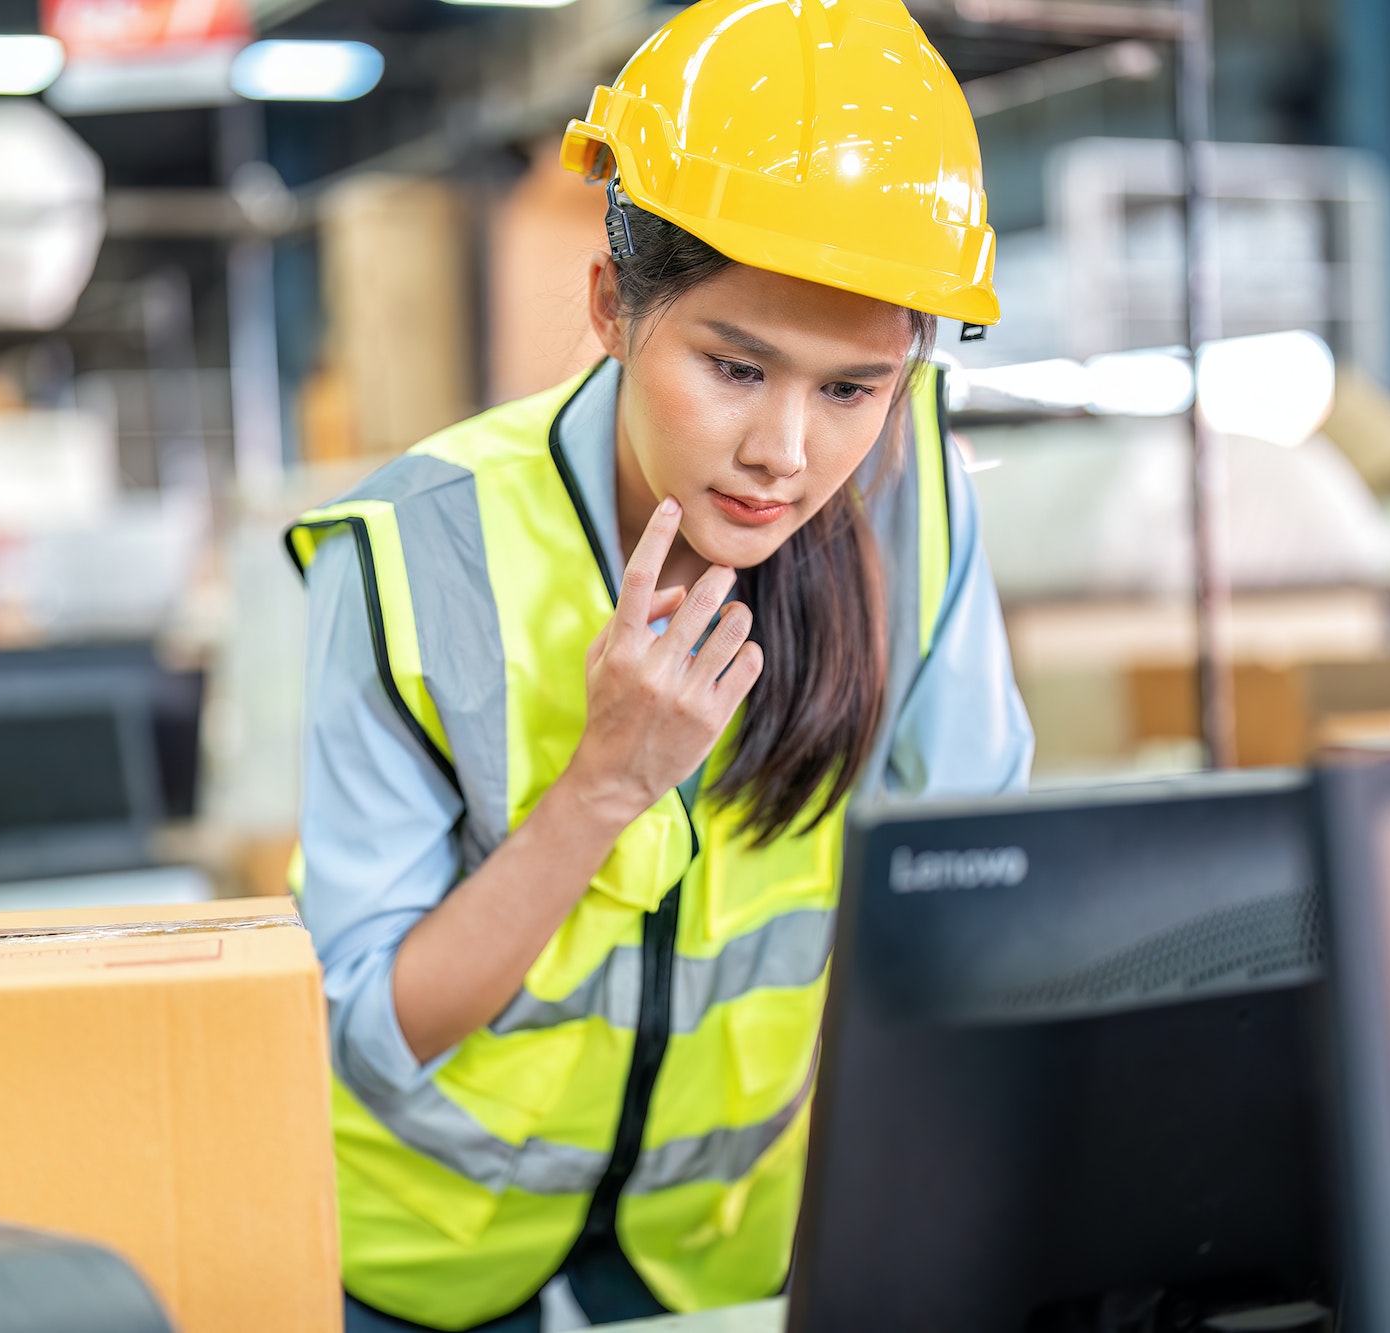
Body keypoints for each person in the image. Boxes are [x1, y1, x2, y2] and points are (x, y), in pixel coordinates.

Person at [287, 0, 1032, 1325]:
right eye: (736, 367)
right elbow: (370, 1032)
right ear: (612, 308)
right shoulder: (416, 550)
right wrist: (601, 789)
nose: (785, 454)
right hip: (427, 1269)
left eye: (853, 388)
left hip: (720, 1274)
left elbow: (978, 911)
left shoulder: (919, 515)